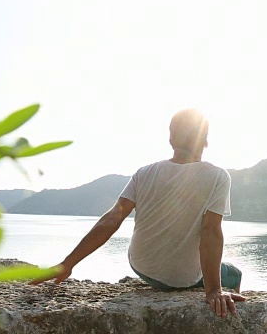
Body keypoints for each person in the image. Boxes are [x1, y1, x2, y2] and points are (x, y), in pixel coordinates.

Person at [31, 108, 245, 317]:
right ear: (205, 140)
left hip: (142, 267)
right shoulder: (218, 176)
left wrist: (67, 264)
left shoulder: (144, 173)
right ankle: (227, 316)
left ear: (171, 139)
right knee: (234, 273)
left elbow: (112, 219)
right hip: (183, 279)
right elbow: (210, 231)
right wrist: (213, 290)